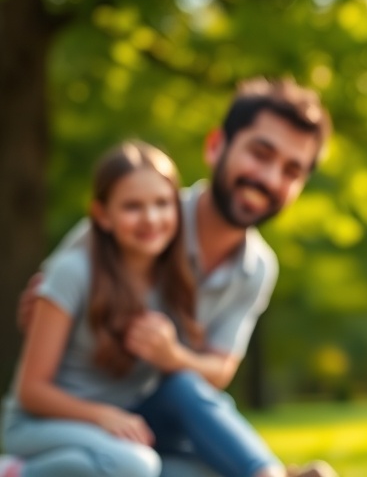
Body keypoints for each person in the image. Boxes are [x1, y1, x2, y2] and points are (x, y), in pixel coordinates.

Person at [3, 78, 337, 477]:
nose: (268, 178)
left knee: (189, 410)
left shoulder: (258, 267)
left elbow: (216, 372)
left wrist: (171, 356)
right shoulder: (143, 219)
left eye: (291, 170)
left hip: (146, 416)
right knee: (138, 461)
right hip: (76, 419)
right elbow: (50, 303)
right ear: (216, 146)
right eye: (260, 154)